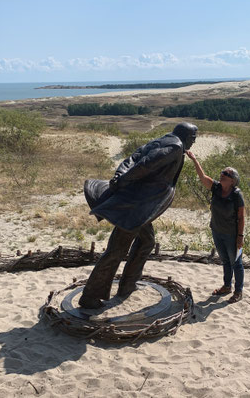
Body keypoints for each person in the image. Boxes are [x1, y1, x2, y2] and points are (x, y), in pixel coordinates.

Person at [79, 122, 198, 309]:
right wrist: (123, 179)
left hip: (141, 207)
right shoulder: (175, 146)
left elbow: (133, 156)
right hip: (136, 206)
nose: (194, 141)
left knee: (147, 241)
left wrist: (120, 174)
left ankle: (128, 285)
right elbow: (145, 164)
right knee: (117, 250)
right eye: (193, 137)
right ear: (185, 135)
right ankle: (90, 296)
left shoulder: (165, 139)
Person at [186, 151, 245, 303]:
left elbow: (241, 217)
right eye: (222, 172)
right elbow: (202, 177)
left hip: (232, 234)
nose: (222, 175)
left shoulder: (237, 195)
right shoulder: (217, 188)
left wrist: (240, 237)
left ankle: (238, 291)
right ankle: (227, 286)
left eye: (226, 174)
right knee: (225, 261)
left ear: (233, 181)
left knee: (236, 263)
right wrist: (194, 159)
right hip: (217, 231)